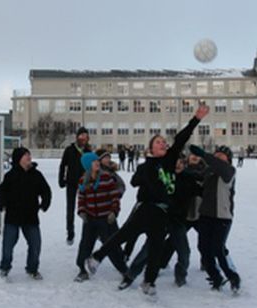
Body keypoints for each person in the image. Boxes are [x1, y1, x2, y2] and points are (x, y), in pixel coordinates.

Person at [85, 104, 210, 297]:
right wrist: (146, 182)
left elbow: (180, 139)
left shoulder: (168, 161)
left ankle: (149, 282)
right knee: (123, 235)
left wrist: (196, 119)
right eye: (158, 142)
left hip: (162, 213)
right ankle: (96, 257)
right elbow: (144, 184)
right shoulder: (147, 166)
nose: (163, 144)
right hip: (146, 209)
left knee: (156, 248)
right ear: (151, 148)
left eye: (163, 142)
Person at [120, 155, 196, 289]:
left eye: (181, 163)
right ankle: (130, 276)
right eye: (175, 162)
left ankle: (180, 277)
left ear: (185, 165)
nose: (178, 165)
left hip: (177, 221)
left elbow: (202, 186)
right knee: (147, 250)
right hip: (161, 219)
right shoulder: (163, 177)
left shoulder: (189, 178)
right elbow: (140, 183)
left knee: (184, 252)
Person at [192, 144, 241, 292]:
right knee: (203, 248)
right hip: (206, 215)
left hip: (222, 217)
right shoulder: (209, 171)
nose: (218, 157)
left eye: (222, 155)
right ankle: (216, 277)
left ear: (228, 159)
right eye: (217, 154)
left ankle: (233, 277)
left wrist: (204, 154)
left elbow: (218, 166)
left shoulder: (229, 171)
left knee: (218, 249)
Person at [0, 147, 52, 280]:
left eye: (29, 154)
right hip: (13, 216)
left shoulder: (36, 175)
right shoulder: (10, 176)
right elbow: (2, 192)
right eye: (25, 155)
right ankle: (5, 267)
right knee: (8, 246)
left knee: (35, 244)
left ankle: (32, 269)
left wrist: (45, 203)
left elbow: (46, 191)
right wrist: (2, 204)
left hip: (30, 216)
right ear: (18, 159)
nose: (29, 157)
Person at [74, 152, 128, 282]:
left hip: (106, 219)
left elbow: (115, 196)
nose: (97, 162)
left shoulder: (106, 177)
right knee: (85, 245)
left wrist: (114, 212)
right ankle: (82, 270)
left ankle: (124, 270)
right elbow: (81, 198)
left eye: (97, 160)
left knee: (112, 245)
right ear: (88, 165)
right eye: (94, 162)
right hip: (90, 219)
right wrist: (82, 211)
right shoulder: (83, 181)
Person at [59, 127, 92, 245]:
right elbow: (63, 165)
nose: (84, 138)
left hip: (85, 183)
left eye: (86, 136)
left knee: (88, 208)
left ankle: (90, 232)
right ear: (77, 137)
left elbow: (93, 167)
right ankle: (70, 232)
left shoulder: (88, 151)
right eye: (81, 136)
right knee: (70, 208)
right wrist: (61, 180)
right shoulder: (69, 150)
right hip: (72, 182)